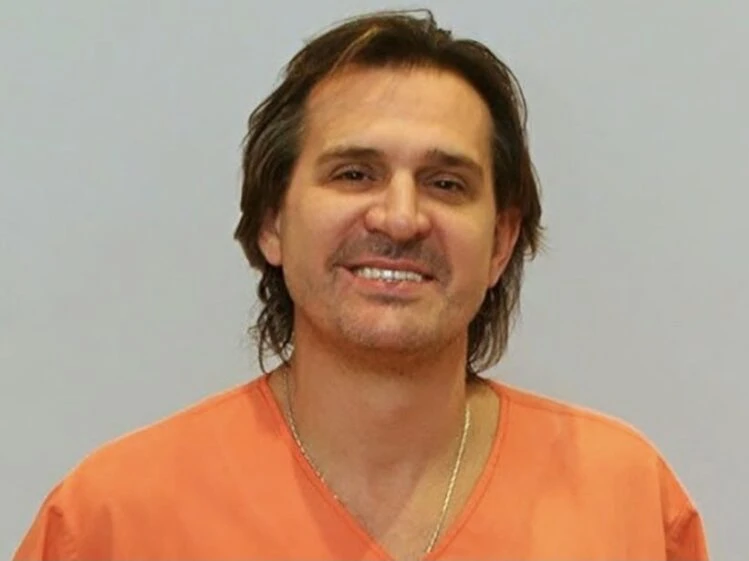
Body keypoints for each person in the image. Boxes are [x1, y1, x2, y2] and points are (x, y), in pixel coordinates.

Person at [14, 9, 708, 561]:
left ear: (500, 242)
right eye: (354, 174)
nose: (400, 217)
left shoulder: (628, 503)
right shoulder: (113, 519)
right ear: (271, 222)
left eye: (446, 183)